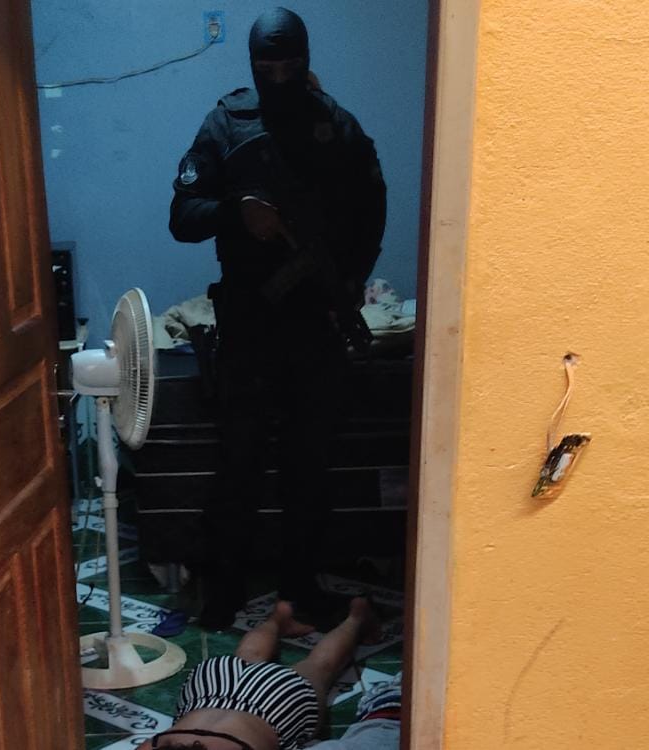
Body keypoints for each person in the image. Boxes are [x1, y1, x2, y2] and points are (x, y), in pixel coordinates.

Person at [169, 6, 387, 629]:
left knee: (308, 462)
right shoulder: (227, 122)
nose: (282, 77)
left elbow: (372, 209)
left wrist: (349, 280)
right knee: (238, 458)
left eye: (292, 65)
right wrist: (238, 212)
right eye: (269, 67)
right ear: (253, 65)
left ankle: (301, 588)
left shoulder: (336, 126)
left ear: (307, 59)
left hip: (315, 319)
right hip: (248, 318)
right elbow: (182, 217)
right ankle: (224, 589)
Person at [151, 598, 378, 750]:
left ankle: (357, 617)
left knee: (319, 667)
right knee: (249, 655)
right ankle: (279, 617)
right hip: (213, 684)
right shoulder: (154, 745)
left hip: (272, 705)